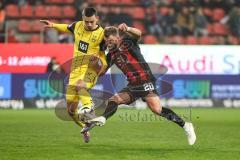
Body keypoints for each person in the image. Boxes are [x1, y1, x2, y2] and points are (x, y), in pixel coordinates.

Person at [84, 24, 196, 145]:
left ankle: (186, 126)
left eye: (111, 40)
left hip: (146, 79)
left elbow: (139, 34)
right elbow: (101, 72)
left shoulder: (127, 42)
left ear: (117, 37)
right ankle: (103, 118)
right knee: (114, 100)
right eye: (107, 41)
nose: (109, 43)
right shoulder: (110, 55)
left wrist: (127, 29)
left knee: (157, 110)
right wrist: (95, 63)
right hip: (133, 84)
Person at [40, 7, 107, 143]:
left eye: (91, 22)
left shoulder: (101, 34)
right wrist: (53, 25)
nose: (88, 24)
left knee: (79, 85)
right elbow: (67, 27)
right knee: (71, 111)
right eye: (86, 21)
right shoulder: (77, 25)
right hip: (75, 71)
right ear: (83, 19)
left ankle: (89, 108)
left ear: (97, 19)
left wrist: (102, 68)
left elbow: (103, 55)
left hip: (91, 69)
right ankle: (84, 128)